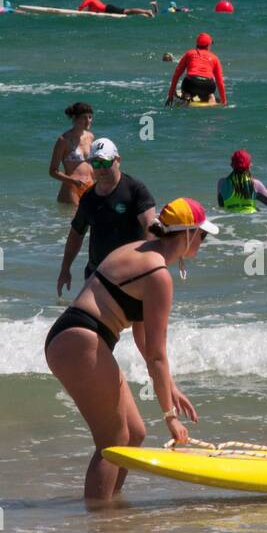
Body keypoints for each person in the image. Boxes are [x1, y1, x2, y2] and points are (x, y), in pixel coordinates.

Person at [45, 197, 217, 500]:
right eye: (202, 235)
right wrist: (169, 416)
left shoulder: (140, 251)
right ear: (187, 234)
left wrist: (170, 389)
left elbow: (142, 335)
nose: (203, 242)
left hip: (73, 337)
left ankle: (110, 509)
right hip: (80, 340)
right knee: (112, 439)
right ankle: (99, 524)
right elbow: (156, 354)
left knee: (134, 432)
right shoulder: (158, 275)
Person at [57, 139, 158, 296]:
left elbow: (151, 227)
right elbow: (76, 234)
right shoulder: (88, 198)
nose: (101, 169)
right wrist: (65, 270)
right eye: (96, 164)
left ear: (117, 160)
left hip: (131, 273)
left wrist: (149, 266)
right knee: (94, 320)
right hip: (97, 274)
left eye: (105, 163)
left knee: (137, 319)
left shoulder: (135, 190)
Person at [48, 102, 95, 206]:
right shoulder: (63, 140)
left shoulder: (91, 137)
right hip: (71, 188)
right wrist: (73, 181)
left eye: (90, 117)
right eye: (84, 117)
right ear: (74, 118)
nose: (88, 121)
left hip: (90, 186)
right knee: (71, 220)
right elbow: (53, 171)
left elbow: (92, 164)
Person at [166, 33, 228, 105]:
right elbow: (220, 81)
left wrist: (170, 96)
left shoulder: (189, 54)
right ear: (208, 45)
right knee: (210, 93)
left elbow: (176, 75)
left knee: (183, 89)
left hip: (191, 83)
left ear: (197, 44)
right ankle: (211, 97)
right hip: (208, 86)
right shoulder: (215, 58)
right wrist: (224, 101)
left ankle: (187, 95)